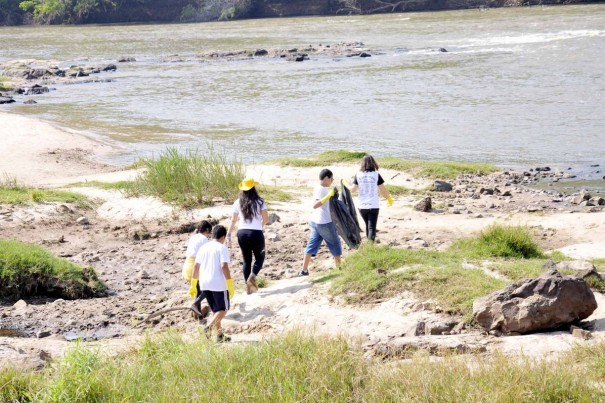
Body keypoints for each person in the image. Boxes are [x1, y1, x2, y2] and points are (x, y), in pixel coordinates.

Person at [189, 225, 234, 343]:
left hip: (204, 283)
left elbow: (196, 266)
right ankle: (208, 328)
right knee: (224, 309)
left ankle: (219, 336)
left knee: (216, 310)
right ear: (223, 237)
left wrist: (194, 284)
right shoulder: (222, 247)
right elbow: (224, 266)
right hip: (218, 283)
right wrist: (229, 282)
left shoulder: (203, 248)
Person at [227, 177, 269, 295]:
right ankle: (253, 275)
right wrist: (260, 226)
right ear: (253, 188)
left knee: (246, 260)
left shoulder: (238, 202)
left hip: (242, 233)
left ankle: (248, 287)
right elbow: (266, 219)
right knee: (260, 258)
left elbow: (233, 220)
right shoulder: (260, 201)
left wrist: (228, 234)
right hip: (256, 233)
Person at [299, 168, 342, 276]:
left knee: (312, 244)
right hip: (325, 222)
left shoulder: (317, 187)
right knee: (335, 243)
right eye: (331, 179)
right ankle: (340, 270)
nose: (332, 181)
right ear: (326, 178)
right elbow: (315, 205)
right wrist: (329, 195)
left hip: (315, 221)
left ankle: (304, 270)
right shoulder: (322, 190)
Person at [349, 155, 392, 242]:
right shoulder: (376, 175)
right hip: (373, 205)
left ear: (363, 164)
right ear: (373, 163)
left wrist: (346, 183)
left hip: (362, 206)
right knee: (371, 227)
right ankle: (370, 246)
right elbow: (383, 191)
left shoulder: (358, 175)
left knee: (368, 226)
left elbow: (353, 190)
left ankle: (369, 244)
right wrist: (389, 198)